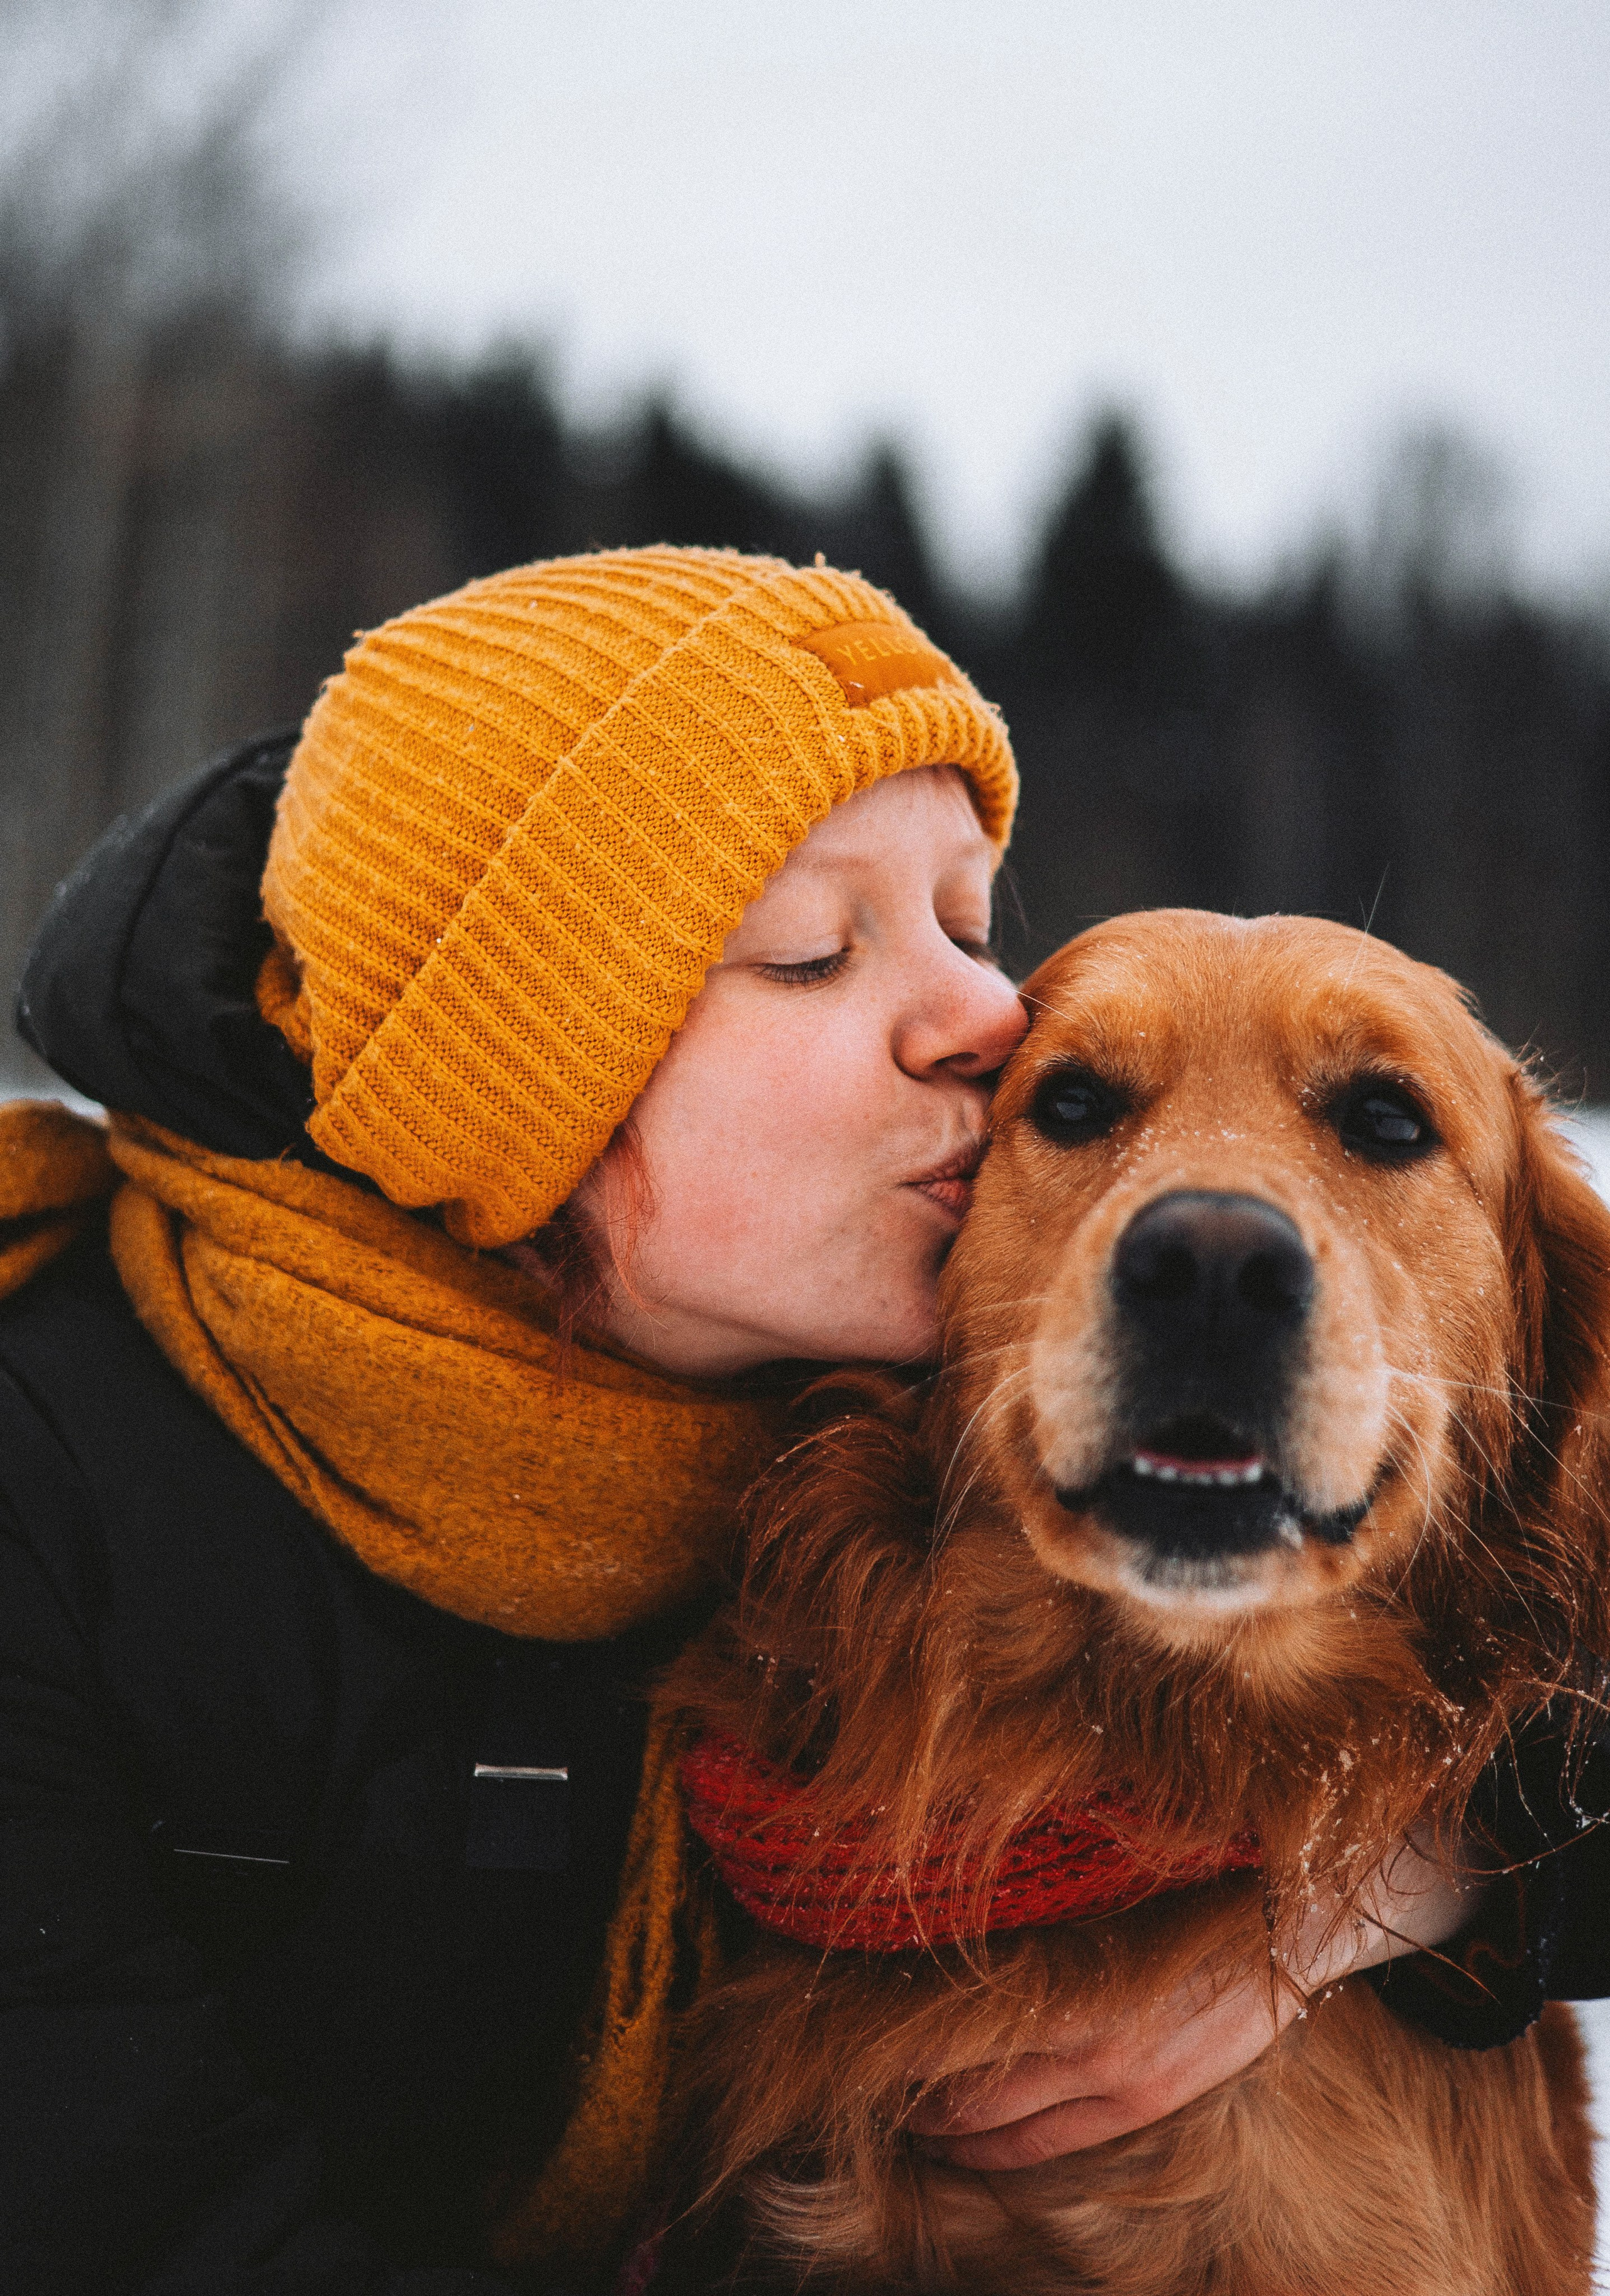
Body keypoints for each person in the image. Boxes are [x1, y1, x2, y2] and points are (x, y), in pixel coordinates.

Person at [0, 545, 1597, 2296]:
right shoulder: (67, 1492)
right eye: (816, 951)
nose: (985, 1022)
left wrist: (1398, 1884)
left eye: (971, 928)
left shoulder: (855, 1407)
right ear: (540, 1068)